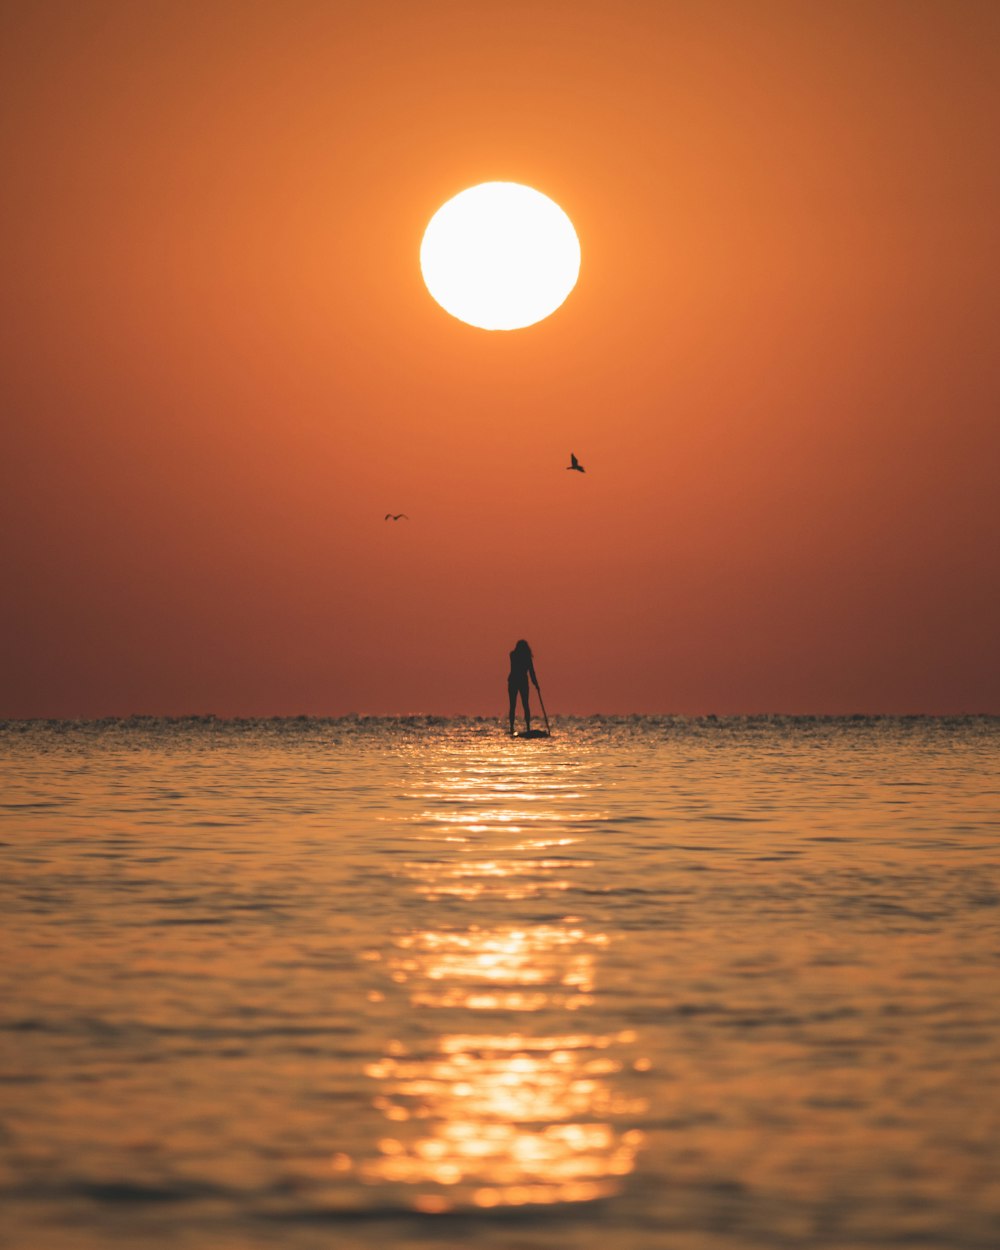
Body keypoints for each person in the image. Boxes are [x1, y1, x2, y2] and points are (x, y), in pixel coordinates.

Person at [507, 639, 539, 736]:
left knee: (524, 705)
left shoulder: (523, 657)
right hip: (515, 681)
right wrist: (535, 683)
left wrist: (535, 684)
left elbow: (532, 672)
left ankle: (526, 727)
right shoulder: (514, 655)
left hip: (520, 682)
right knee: (514, 705)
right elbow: (531, 671)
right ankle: (512, 727)